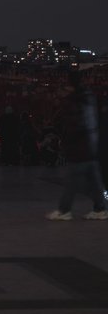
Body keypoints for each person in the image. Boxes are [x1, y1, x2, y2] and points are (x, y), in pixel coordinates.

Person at [46, 71, 107, 221]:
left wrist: (67, 143)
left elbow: (74, 126)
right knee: (95, 181)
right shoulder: (90, 97)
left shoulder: (73, 101)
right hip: (92, 144)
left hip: (80, 147)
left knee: (72, 182)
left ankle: (64, 210)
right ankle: (100, 208)